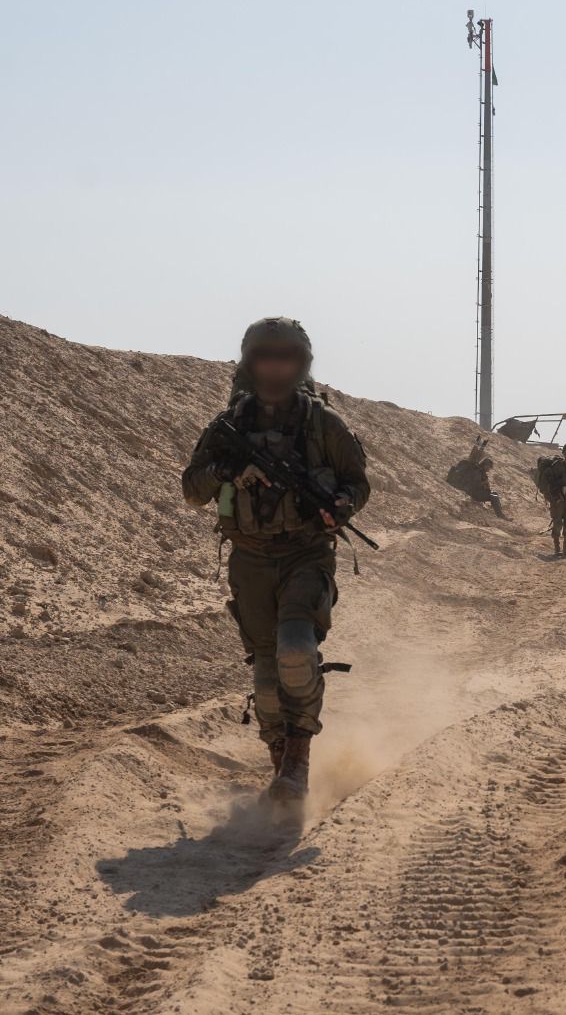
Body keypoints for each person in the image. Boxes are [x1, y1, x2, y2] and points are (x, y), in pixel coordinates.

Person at [181, 317, 370, 803]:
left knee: (296, 650)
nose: (275, 368)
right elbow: (192, 490)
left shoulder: (322, 424)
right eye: (266, 357)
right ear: (251, 362)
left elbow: (358, 483)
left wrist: (338, 506)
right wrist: (230, 471)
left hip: (306, 554)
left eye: (285, 358)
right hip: (250, 560)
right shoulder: (230, 426)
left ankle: (298, 761)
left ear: (300, 363)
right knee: (266, 679)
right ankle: (279, 765)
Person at [447, 439, 505, 517]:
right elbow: (475, 485)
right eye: (488, 467)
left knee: (493, 495)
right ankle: (500, 515)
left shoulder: (476, 469)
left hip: (472, 491)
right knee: (494, 496)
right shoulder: (476, 471)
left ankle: (499, 511)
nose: (489, 469)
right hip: (474, 493)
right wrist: (484, 484)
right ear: (485, 465)